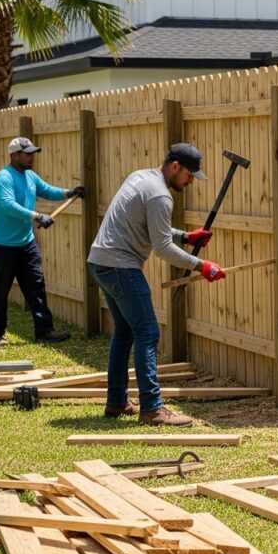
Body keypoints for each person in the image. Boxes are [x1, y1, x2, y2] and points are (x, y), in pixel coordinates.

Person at [87, 143, 226, 427]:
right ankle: (152, 409)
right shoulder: (161, 196)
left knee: (125, 331)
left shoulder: (140, 177)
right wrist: (202, 265)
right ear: (175, 166)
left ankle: (116, 403)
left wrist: (186, 236)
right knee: (147, 332)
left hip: (100, 261)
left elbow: (151, 228)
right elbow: (162, 248)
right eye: (189, 175)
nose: (190, 182)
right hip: (120, 265)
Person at [0, 137, 85, 346]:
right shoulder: (4, 177)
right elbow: (8, 205)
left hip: (26, 243)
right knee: (1, 291)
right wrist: (37, 216)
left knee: (36, 287)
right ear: (14, 155)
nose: (32, 157)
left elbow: (47, 190)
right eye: (28, 153)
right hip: (2, 245)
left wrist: (70, 192)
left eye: (32, 153)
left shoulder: (30, 176)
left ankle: (44, 331)